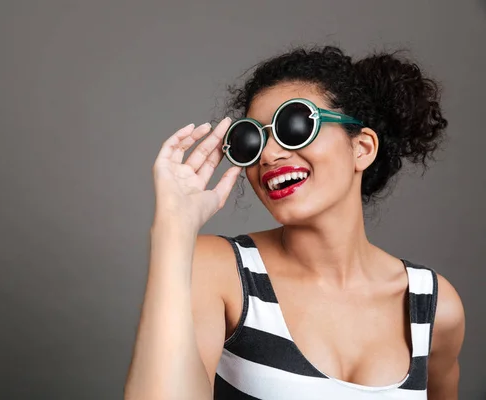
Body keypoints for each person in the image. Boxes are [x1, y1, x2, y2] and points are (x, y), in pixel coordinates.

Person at [124, 46, 465, 400]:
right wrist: (172, 230)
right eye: (250, 140)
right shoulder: (219, 272)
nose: (270, 155)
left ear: (362, 148)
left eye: (295, 125)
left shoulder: (433, 305)